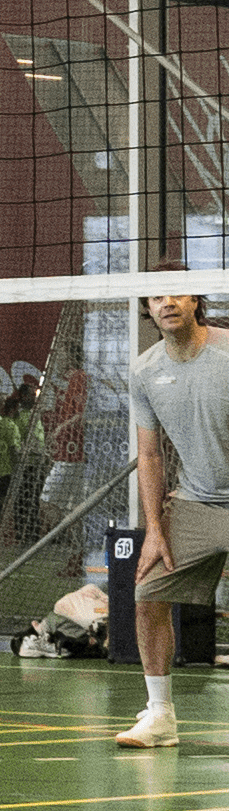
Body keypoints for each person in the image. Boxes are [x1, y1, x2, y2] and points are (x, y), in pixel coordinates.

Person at [121, 288, 229, 750]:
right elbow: (149, 455)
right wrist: (154, 529)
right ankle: (160, 715)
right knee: (148, 592)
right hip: (195, 503)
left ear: (196, 301)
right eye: (156, 297)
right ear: (147, 309)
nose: (167, 303)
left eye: (177, 295)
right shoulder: (145, 371)